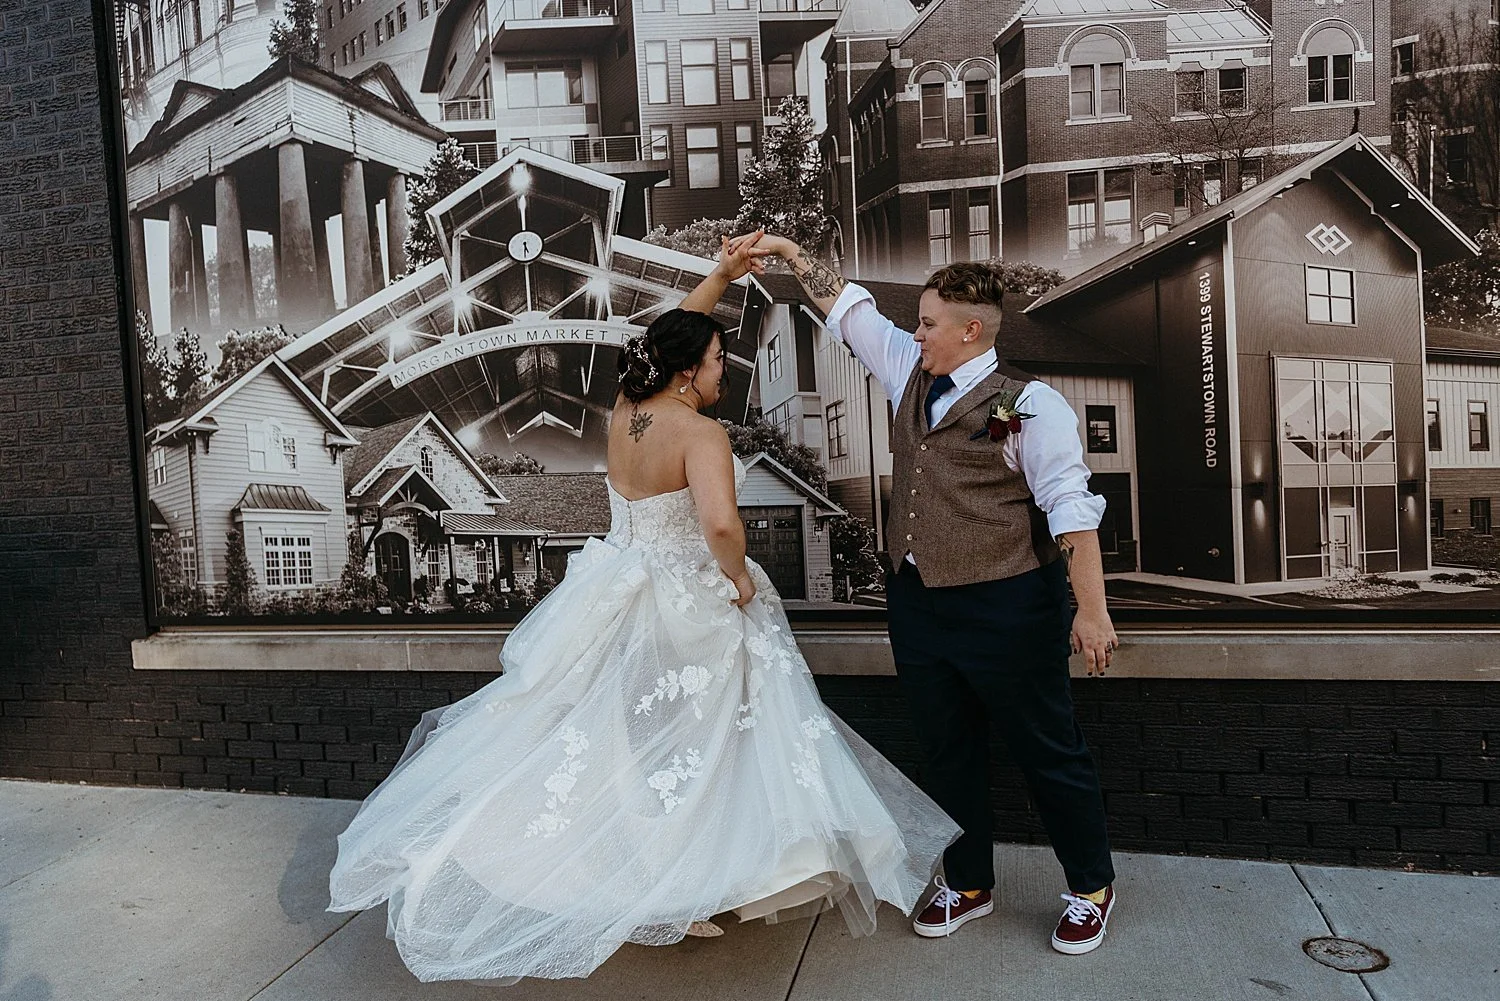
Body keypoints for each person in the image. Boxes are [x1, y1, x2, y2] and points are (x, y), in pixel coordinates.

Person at [327, 232, 960, 984]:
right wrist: (743, 583)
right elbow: (723, 526)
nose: (727, 371)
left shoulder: (627, 407)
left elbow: (660, 342)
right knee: (702, 742)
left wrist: (720, 276)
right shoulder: (701, 432)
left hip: (614, 584)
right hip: (685, 596)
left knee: (630, 741)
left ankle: (665, 873)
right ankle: (687, 879)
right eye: (719, 361)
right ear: (691, 376)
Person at [749, 234, 1120, 954]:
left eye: (926, 321)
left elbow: (1069, 507)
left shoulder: (1021, 405)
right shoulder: (909, 373)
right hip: (920, 602)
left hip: (1010, 603)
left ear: (969, 329)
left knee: (1047, 748)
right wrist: (793, 257)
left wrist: (1093, 611)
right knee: (947, 747)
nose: (913, 332)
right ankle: (970, 880)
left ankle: (1091, 887)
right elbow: (849, 310)